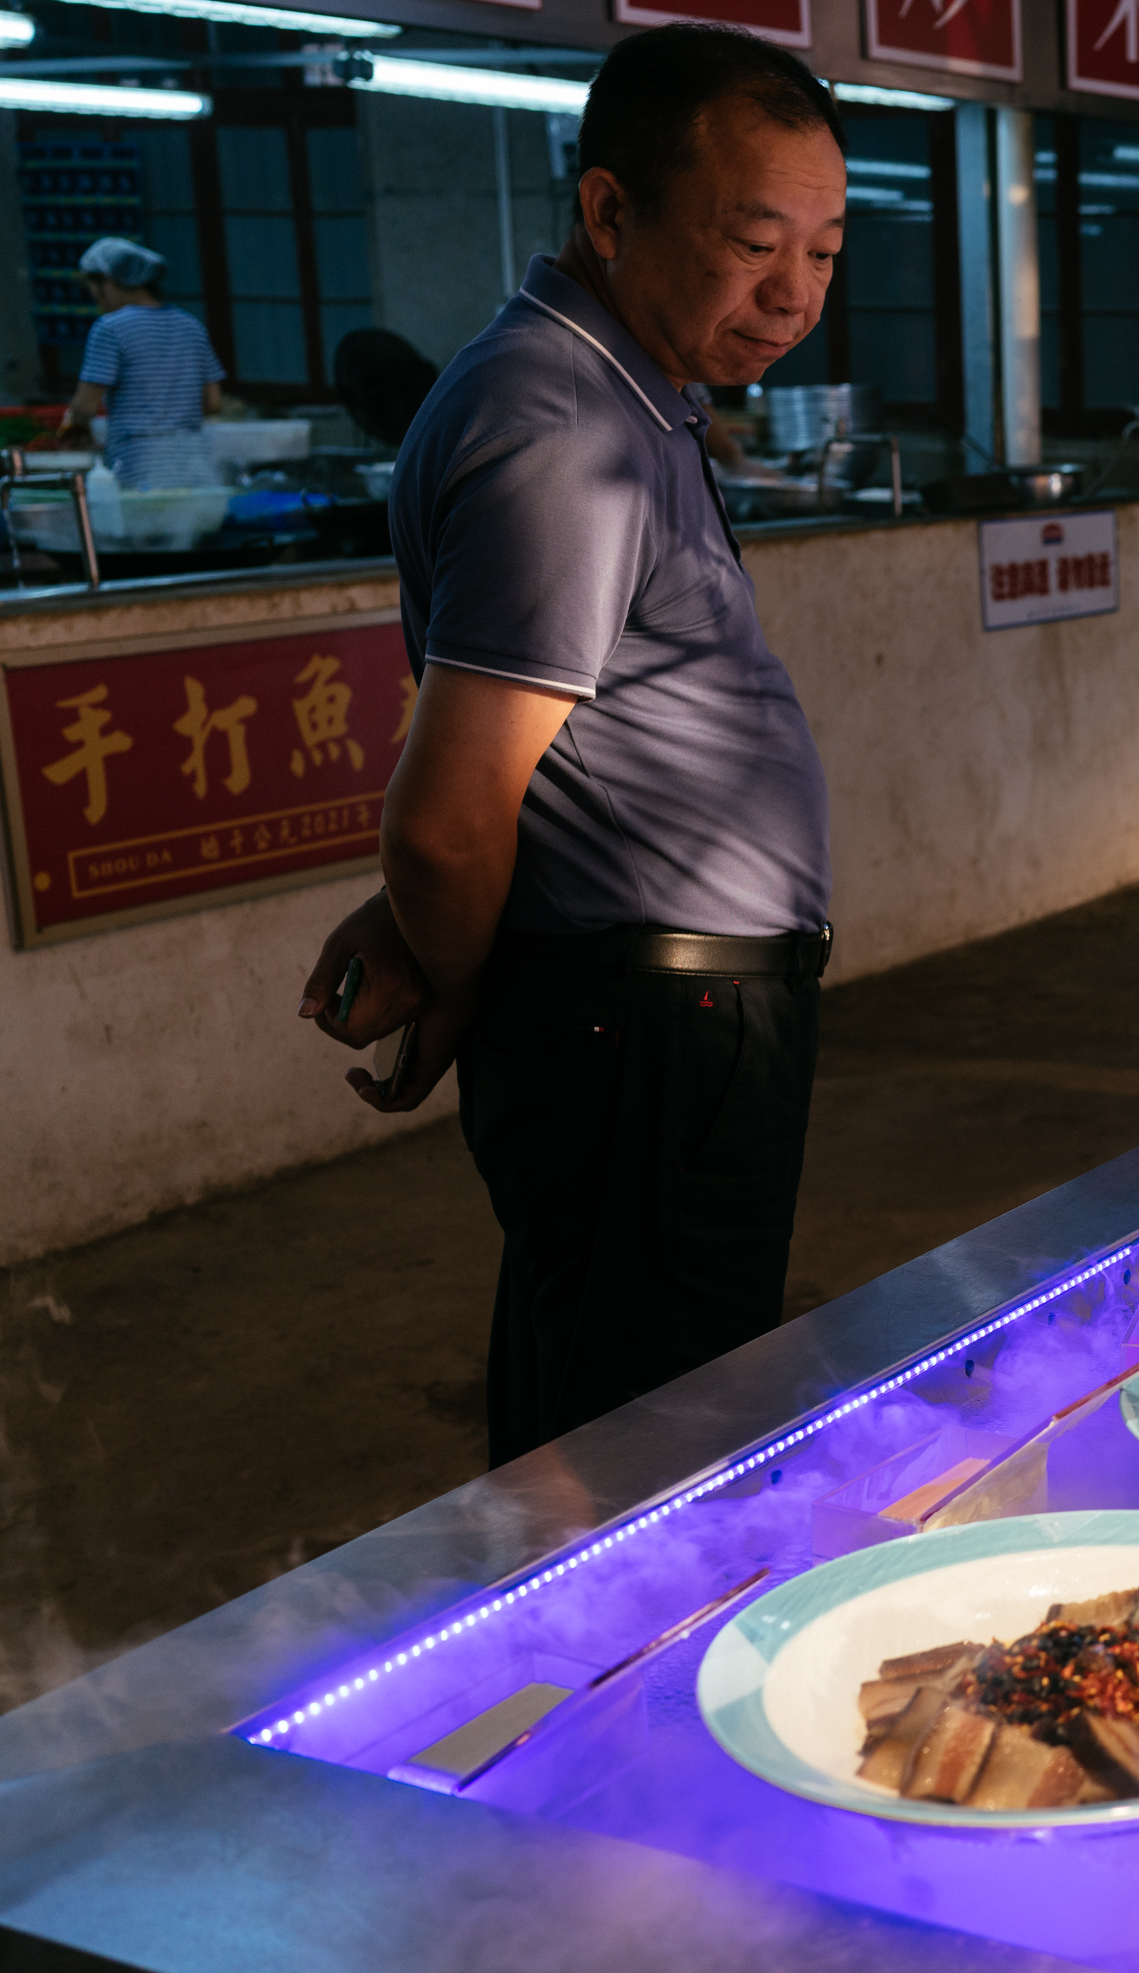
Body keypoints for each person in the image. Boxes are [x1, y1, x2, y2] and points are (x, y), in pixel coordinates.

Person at [293, 26, 845, 1466]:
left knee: (604, 1390)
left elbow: (554, 751)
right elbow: (446, 816)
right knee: (645, 1439)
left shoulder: (623, 390)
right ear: (610, 212)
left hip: (661, 1013)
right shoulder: (563, 429)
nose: (792, 297)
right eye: (753, 244)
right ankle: (612, 1691)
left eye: (826, 254)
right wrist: (463, 981)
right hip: (648, 1033)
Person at [55, 238, 224, 490]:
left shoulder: (110, 328)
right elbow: (213, 403)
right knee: (187, 526)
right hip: (193, 461)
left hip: (138, 463)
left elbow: (85, 407)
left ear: (108, 282)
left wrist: (72, 430)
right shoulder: (191, 326)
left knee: (144, 526)